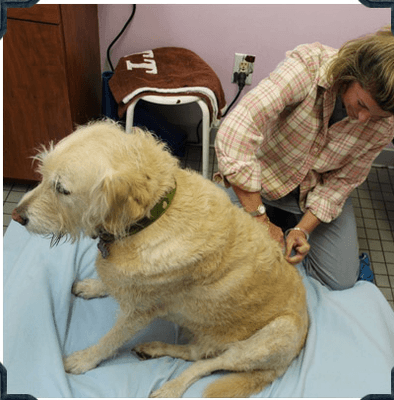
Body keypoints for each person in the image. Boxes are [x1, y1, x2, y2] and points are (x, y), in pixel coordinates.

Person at [214, 26, 394, 290]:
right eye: (363, 105)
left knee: (341, 281)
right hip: (261, 181)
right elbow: (234, 132)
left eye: (378, 117)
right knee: (215, 253)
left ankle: (289, 224)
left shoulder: (383, 126)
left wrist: (303, 230)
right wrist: (260, 220)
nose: (364, 120)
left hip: (312, 193)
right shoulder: (307, 67)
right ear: (349, 75)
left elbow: (341, 185)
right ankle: (273, 218)